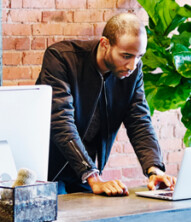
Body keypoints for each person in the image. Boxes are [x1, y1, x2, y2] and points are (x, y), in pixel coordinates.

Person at [36, 13, 176, 196]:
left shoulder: (132, 71)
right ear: (105, 44)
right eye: (126, 56)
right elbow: (61, 121)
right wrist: (92, 176)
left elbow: (139, 120)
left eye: (139, 56)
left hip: (84, 173)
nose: (132, 65)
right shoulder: (62, 58)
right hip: (47, 170)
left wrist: (154, 169)